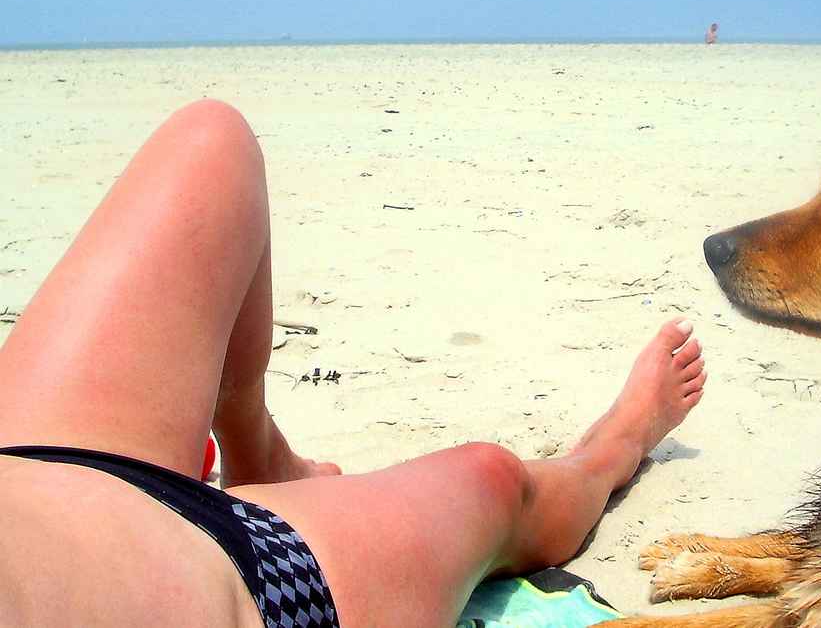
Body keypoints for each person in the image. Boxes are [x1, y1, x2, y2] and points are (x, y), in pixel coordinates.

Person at [0, 100, 707, 628]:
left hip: (35, 478)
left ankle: (255, 443)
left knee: (211, 142)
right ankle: (612, 450)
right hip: (226, 593)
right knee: (490, 480)